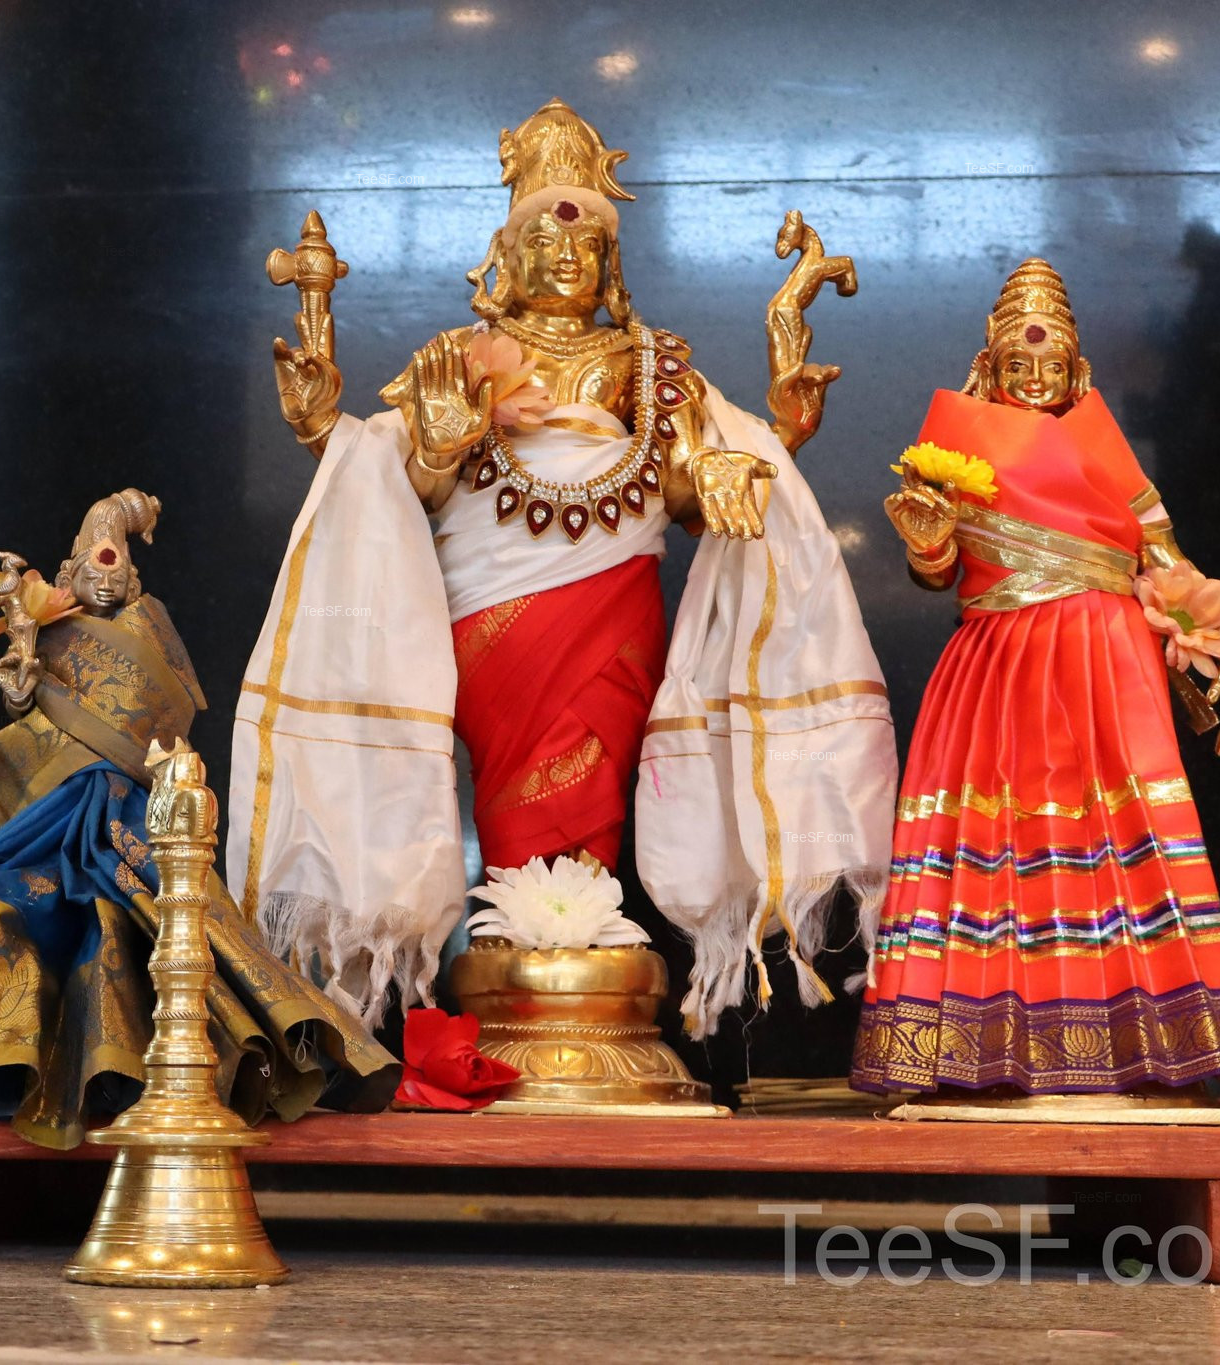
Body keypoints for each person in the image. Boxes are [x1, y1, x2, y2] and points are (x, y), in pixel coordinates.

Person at [238, 101, 895, 1030]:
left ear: (612, 262)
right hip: (496, 622)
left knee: (597, 774)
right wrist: (355, 430)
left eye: (585, 242)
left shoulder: (650, 362)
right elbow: (403, 474)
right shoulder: (460, 358)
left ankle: (588, 938)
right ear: (504, 255)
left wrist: (728, 463)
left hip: (615, 614)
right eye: (542, 238)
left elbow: (688, 476)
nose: (565, 257)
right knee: (513, 790)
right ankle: (509, 942)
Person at [0, 490, 397, 1148]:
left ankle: (149, 1071)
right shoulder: (51, 628)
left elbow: (169, 716)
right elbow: (24, 711)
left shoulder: (149, 625)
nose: (108, 580)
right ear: (71, 572)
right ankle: (0, 1064)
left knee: (165, 923)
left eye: (117, 570)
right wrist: (23, 665)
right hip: (54, 803)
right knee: (11, 904)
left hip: (131, 809)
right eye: (96, 568)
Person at [852, 261, 1220, 1097]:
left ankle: (1137, 1045)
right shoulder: (953, 447)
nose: (1035, 381)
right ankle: (976, 1044)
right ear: (989, 369)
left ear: (1078, 371)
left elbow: (1173, 568)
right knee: (1002, 845)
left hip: (1109, 670)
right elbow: (934, 570)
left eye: (1050, 367)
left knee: (1107, 843)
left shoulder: (1108, 459)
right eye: (1017, 367)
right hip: (997, 663)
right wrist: (930, 541)